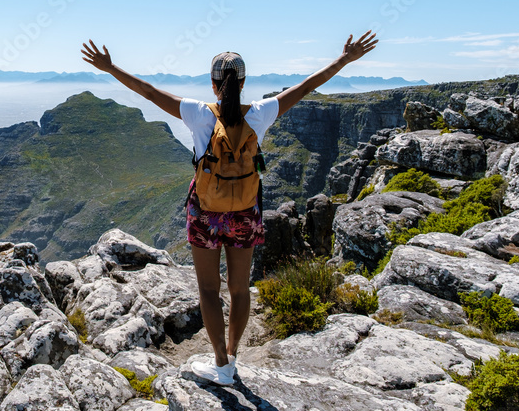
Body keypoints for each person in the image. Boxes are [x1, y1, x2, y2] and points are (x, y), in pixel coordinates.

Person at [80, 31, 377, 386]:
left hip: (205, 213)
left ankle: (220, 362)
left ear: (213, 83)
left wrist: (111, 68)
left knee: (209, 290)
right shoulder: (261, 114)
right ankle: (232, 357)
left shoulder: (198, 113)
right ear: (244, 82)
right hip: (245, 213)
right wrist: (344, 59)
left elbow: (149, 92)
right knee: (239, 289)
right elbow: (306, 86)